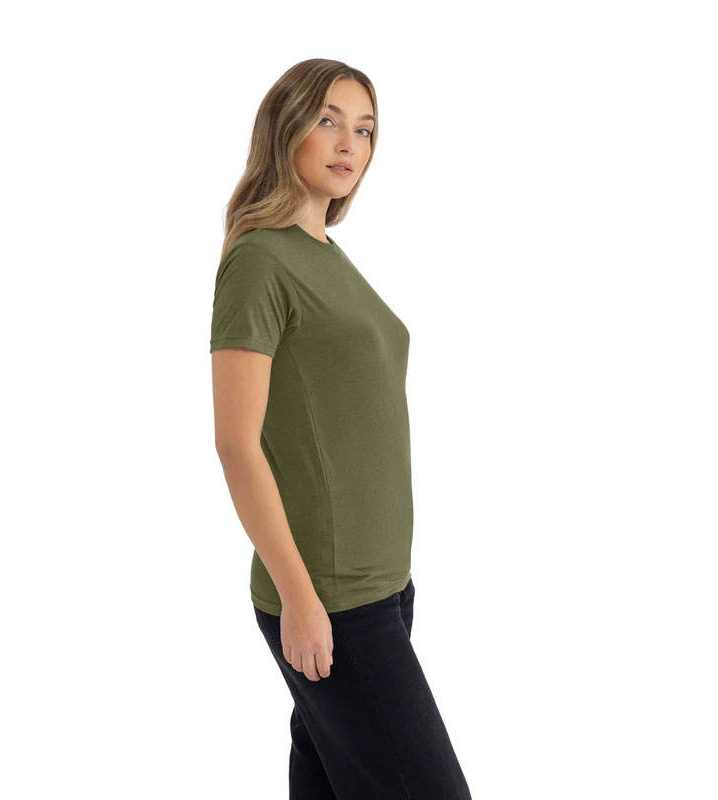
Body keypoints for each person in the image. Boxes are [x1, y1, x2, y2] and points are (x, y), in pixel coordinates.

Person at [210, 58, 473, 799]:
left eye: (365, 128)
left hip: (384, 586)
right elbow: (236, 442)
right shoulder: (260, 260)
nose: (349, 142)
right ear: (285, 127)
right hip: (330, 597)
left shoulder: (323, 252)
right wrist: (299, 597)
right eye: (328, 120)